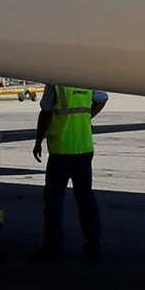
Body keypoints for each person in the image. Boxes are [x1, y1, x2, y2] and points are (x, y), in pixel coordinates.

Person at [32, 82, 100, 260]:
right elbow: (102, 99)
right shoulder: (86, 79)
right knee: (86, 198)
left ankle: (54, 247)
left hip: (62, 148)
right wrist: (87, 117)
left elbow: (45, 112)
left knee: (54, 201)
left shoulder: (55, 83)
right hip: (84, 147)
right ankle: (94, 244)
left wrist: (38, 140)